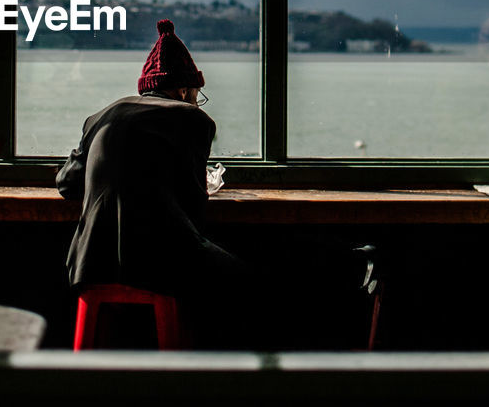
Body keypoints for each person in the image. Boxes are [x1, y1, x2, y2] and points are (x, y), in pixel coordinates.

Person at [57, 18, 376, 349]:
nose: (197, 102)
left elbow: (66, 184)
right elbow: (194, 207)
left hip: (88, 264)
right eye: (197, 94)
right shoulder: (192, 119)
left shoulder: (100, 116)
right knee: (253, 283)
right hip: (162, 263)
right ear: (184, 90)